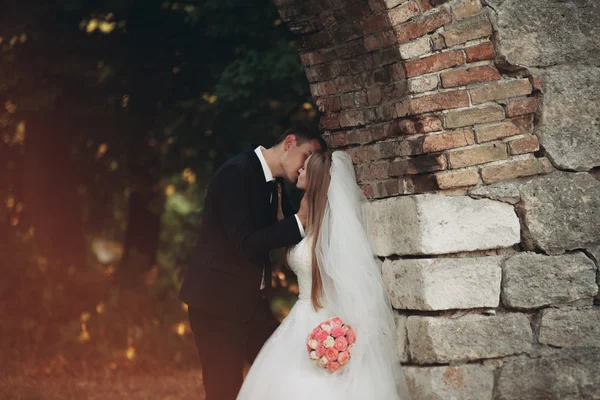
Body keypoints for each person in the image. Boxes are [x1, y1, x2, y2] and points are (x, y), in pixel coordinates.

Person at [236, 151, 411, 400]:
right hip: (300, 317)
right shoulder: (307, 219)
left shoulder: (333, 231)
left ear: (317, 178)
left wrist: (338, 335)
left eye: (305, 169)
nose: (299, 172)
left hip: (324, 319)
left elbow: (349, 282)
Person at [179, 125, 325, 400]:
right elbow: (245, 242)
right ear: (289, 143)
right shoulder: (235, 174)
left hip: (252, 305)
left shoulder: (276, 184)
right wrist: (299, 222)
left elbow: (283, 232)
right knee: (224, 389)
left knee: (282, 377)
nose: (306, 166)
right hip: (216, 305)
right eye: (306, 156)